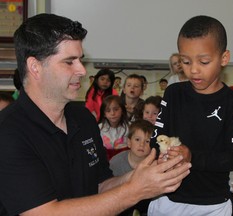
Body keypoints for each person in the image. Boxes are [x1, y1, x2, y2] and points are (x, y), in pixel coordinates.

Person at [0, 13, 192, 216]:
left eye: (80, 60)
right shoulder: (9, 133)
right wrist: (136, 190)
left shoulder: (82, 118)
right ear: (35, 67)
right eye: (69, 62)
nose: (82, 70)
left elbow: (99, 187)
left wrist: (142, 176)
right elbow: (45, 213)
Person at [148, 15, 233, 216]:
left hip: (212, 205)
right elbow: (156, 139)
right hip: (167, 197)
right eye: (185, 61)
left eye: (204, 61)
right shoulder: (173, 93)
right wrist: (162, 153)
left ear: (224, 58)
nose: (193, 70)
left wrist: (191, 156)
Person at [110, 119, 155, 215]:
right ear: (129, 142)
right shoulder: (115, 162)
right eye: (137, 139)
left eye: (147, 141)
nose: (142, 144)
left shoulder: (154, 165)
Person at [98, 95, 130, 160]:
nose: (112, 113)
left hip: (123, 159)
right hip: (105, 160)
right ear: (104, 114)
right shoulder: (99, 128)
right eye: (108, 110)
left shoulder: (129, 127)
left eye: (116, 109)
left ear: (122, 110)